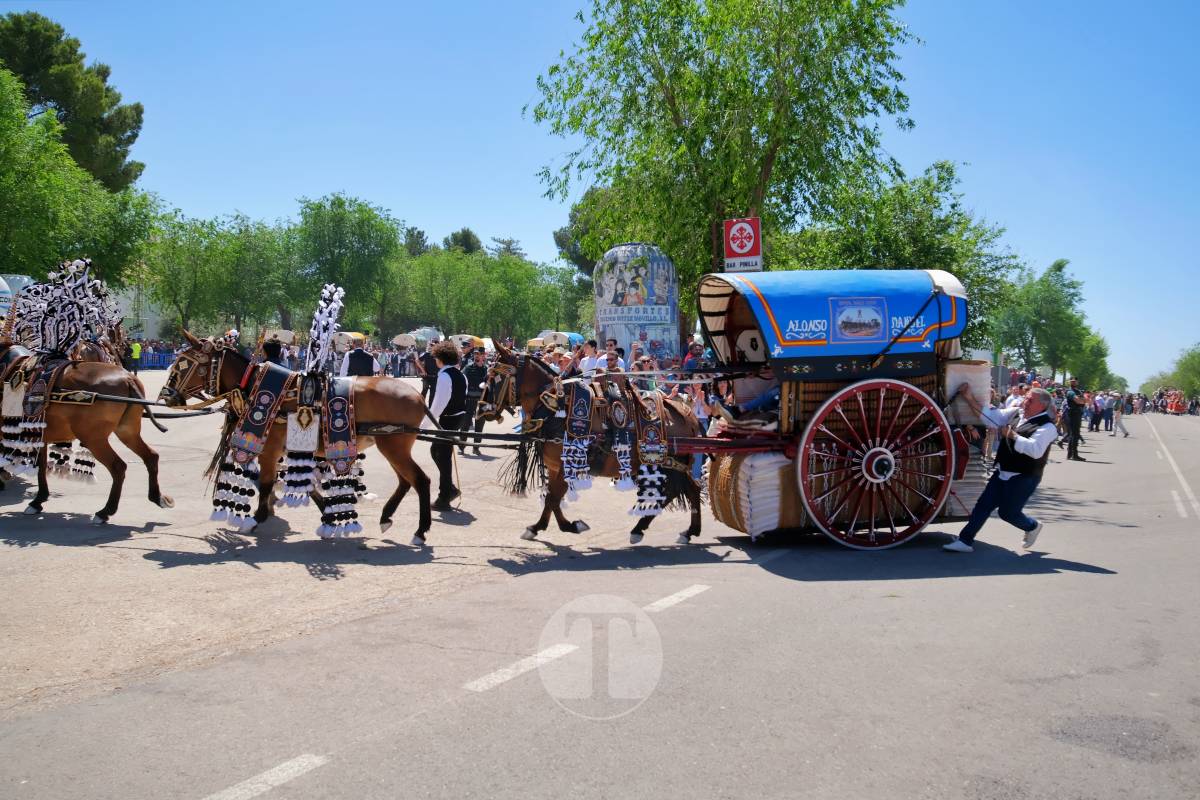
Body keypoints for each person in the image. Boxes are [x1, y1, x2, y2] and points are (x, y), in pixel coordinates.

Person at [943, 385, 1058, 553]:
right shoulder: (1016, 413)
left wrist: (1013, 436)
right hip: (1003, 470)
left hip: (1024, 476)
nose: (1025, 402)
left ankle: (1032, 526)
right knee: (983, 505)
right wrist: (969, 397)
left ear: (1042, 405)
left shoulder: (1048, 427)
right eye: (1026, 398)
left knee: (1008, 513)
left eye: (1030, 400)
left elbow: (1035, 450)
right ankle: (965, 540)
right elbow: (990, 417)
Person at [423, 341, 467, 511]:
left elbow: (438, 404)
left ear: (440, 359)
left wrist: (424, 425)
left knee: (442, 455)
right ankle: (449, 489)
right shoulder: (460, 374)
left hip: (449, 419)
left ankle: (445, 496)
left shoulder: (444, 376)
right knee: (437, 452)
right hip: (458, 417)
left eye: (436, 358)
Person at [460, 348, 489, 456]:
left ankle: (476, 447)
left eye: (479, 354)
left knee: (480, 424)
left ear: (484, 355)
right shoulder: (468, 368)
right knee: (465, 423)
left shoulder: (487, 369)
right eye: (475, 354)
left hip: (481, 401)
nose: (477, 356)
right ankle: (462, 445)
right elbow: (462, 380)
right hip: (469, 400)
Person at [1064, 378, 1087, 461]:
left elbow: (1086, 400)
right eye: (1072, 381)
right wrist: (1082, 400)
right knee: (1075, 434)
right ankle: (1074, 454)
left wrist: (1082, 400)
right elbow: (1078, 401)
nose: (1073, 382)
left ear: (1077, 382)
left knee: (1073, 434)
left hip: (1077, 413)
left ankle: (1070, 454)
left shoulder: (1078, 391)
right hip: (1073, 414)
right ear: (1069, 382)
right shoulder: (1070, 392)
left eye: (1075, 381)